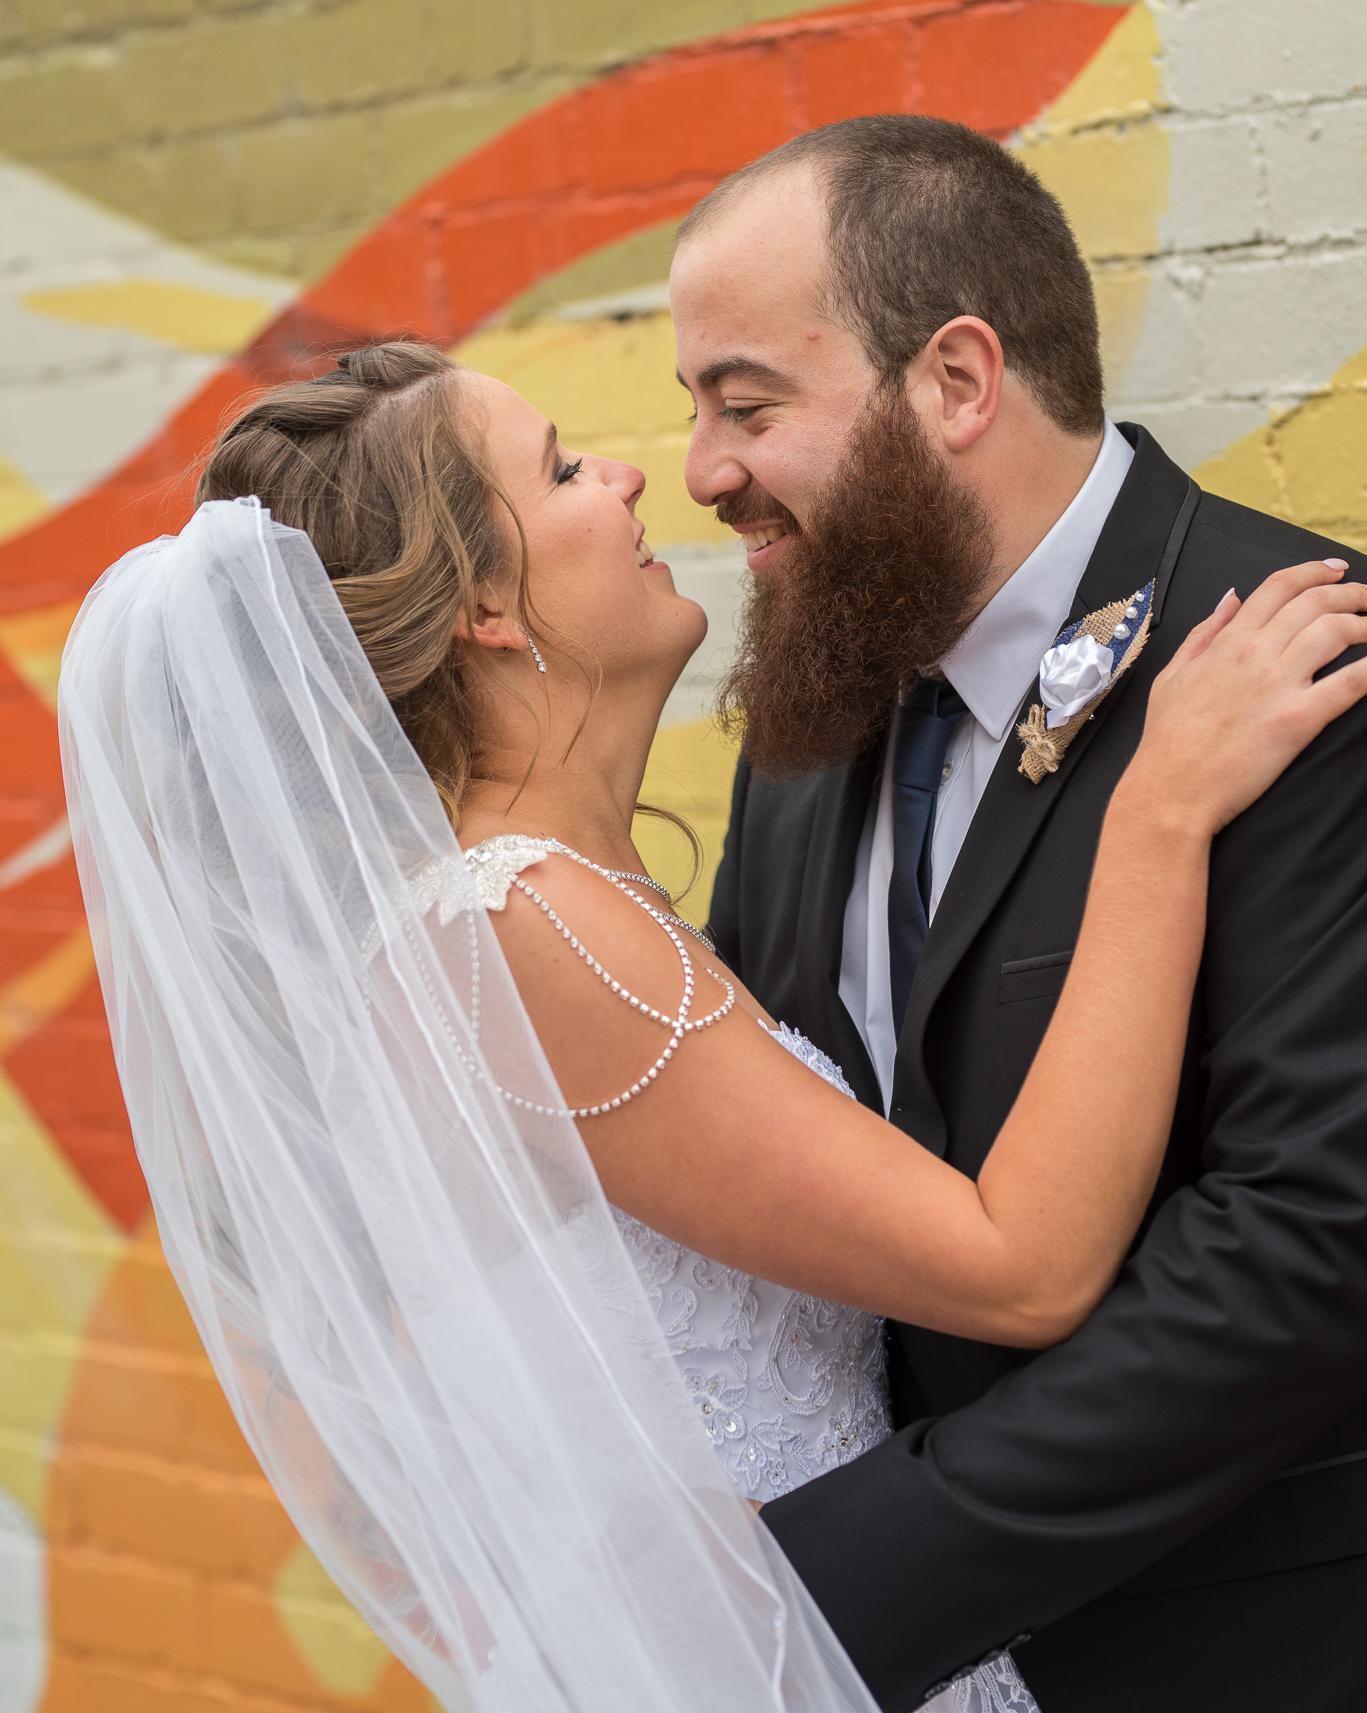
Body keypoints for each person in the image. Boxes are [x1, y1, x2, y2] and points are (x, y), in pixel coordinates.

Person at [59, 344, 1364, 1713]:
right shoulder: (522, 932)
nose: (634, 475)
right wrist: (1159, 811)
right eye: (562, 469)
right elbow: (1020, 1268)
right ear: (486, 608)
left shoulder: (521, 921)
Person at [672, 113, 1367, 1711]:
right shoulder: (816, 701)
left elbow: (1310, 1243)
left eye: (747, 404)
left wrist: (840, 1581)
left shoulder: (1308, 670)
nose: (707, 471)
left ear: (958, 382)